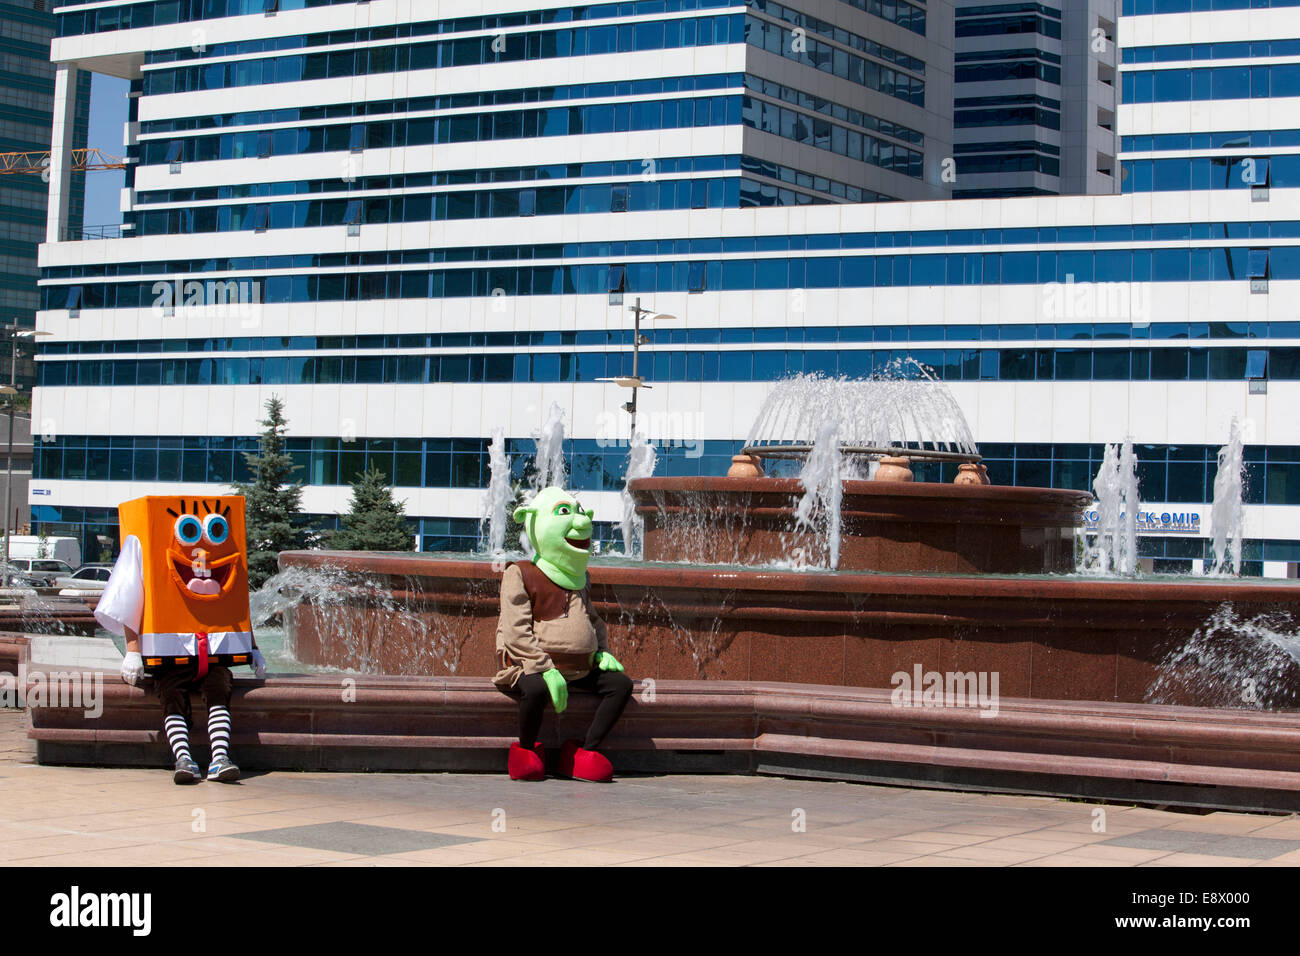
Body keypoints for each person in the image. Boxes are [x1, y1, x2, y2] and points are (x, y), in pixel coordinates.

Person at [95, 496, 266, 784]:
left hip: (212, 655)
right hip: (168, 655)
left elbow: (233, 607)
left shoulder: (226, 559)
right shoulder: (144, 549)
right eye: (188, 530)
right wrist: (133, 650)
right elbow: (130, 599)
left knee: (219, 688)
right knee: (172, 695)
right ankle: (183, 758)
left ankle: (220, 757)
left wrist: (253, 649)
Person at [494, 486, 633, 782]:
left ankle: (584, 752)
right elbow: (516, 629)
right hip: (531, 665)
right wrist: (544, 668)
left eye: (579, 512)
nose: (581, 522)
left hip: (581, 667)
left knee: (620, 685)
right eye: (564, 513)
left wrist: (602, 652)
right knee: (535, 690)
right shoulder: (520, 573)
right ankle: (527, 751)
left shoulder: (580, 578)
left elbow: (593, 620)